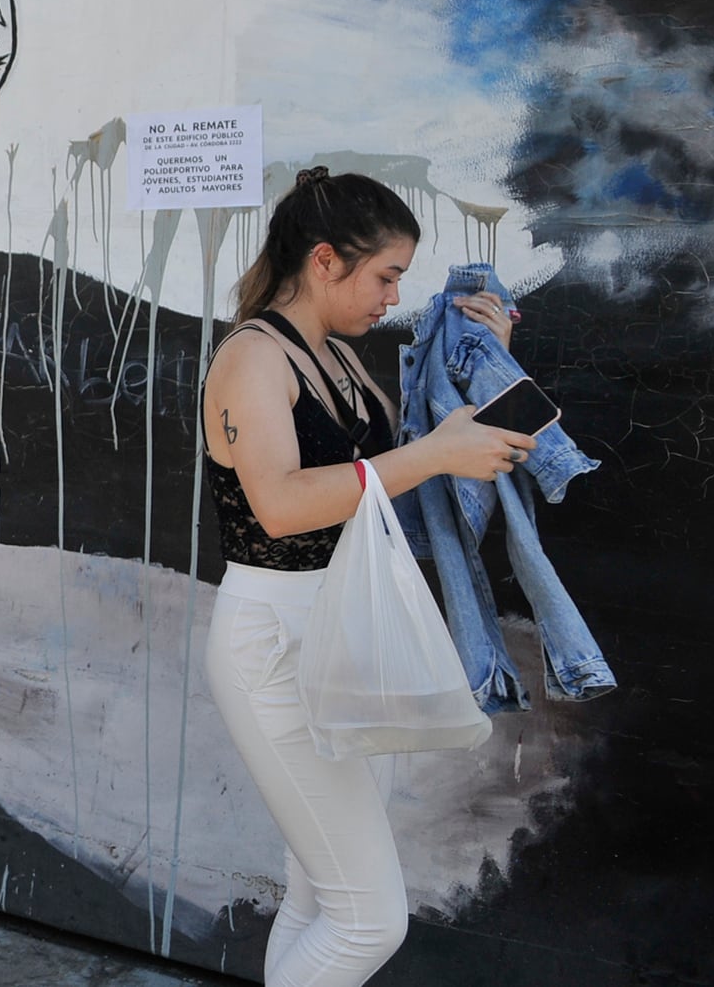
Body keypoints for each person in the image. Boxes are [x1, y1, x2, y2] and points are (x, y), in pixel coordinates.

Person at [197, 168, 535, 987]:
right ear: (324, 260)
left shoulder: (339, 359)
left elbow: (401, 478)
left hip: (343, 631)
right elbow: (280, 505)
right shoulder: (252, 358)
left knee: (320, 892)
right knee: (368, 919)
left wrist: (487, 358)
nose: (393, 298)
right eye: (385, 276)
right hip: (274, 642)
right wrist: (434, 454)